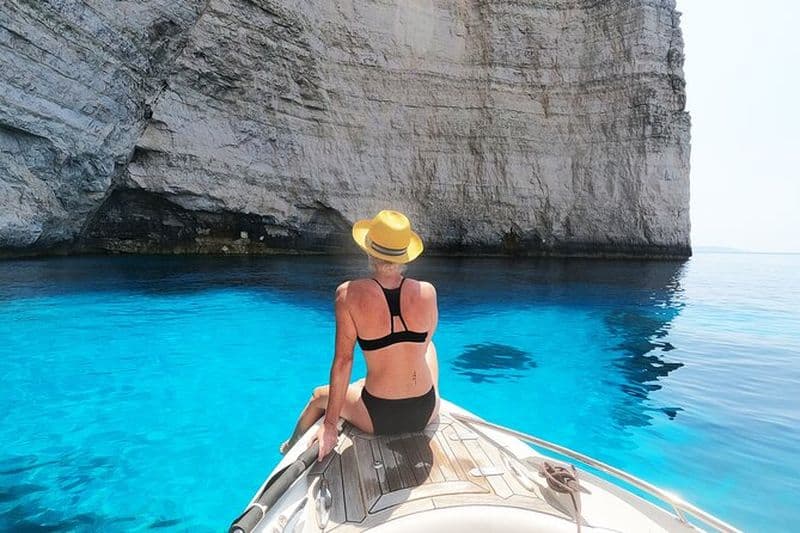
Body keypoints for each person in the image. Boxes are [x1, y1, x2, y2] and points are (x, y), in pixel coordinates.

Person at [280, 209, 440, 461]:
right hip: (426, 409)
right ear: (404, 255)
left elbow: (343, 362)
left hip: (380, 416)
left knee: (317, 396)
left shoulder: (348, 294)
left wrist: (330, 425)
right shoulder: (428, 292)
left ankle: (291, 447)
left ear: (369, 251)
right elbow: (421, 343)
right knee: (428, 347)